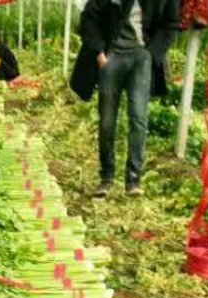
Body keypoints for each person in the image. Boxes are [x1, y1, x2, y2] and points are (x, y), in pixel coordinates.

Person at [70, 0, 180, 197]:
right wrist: (99, 51)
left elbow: (171, 23)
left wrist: (151, 55)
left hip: (140, 58)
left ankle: (133, 179)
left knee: (138, 117)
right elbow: (88, 19)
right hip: (112, 57)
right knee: (107, 121)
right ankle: (107, 178)